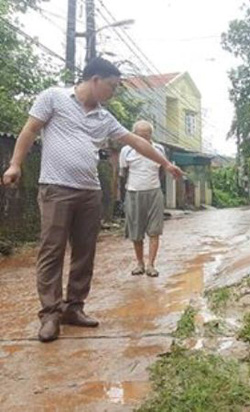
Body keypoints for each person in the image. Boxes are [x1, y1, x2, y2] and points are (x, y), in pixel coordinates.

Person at [1, 58, 184, 343]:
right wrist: (15, 164)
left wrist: (166, 164)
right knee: (52, 250)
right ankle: (50, 314)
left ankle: (74, 308)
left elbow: (136, 142)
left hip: (89, 192)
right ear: (95, 80)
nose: (113, 93)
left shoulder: (104, 118)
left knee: (85, 253)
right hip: (56, 188)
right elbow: (30, 129)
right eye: (111, 87)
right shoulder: (54, 97)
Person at [119, 120, 166, 278]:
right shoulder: (126, 151)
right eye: (140, 136)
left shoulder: (159, 149)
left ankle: (151, 265)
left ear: (151, 135)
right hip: (133, 193)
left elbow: (162, 171)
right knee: (136, 231)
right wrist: (122, 198)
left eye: (146, 136)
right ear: (134, 135)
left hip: (154, 192)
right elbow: (122, 175)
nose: (143, 139)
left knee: (155, 231)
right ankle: (140, 263)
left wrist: (159, 189)